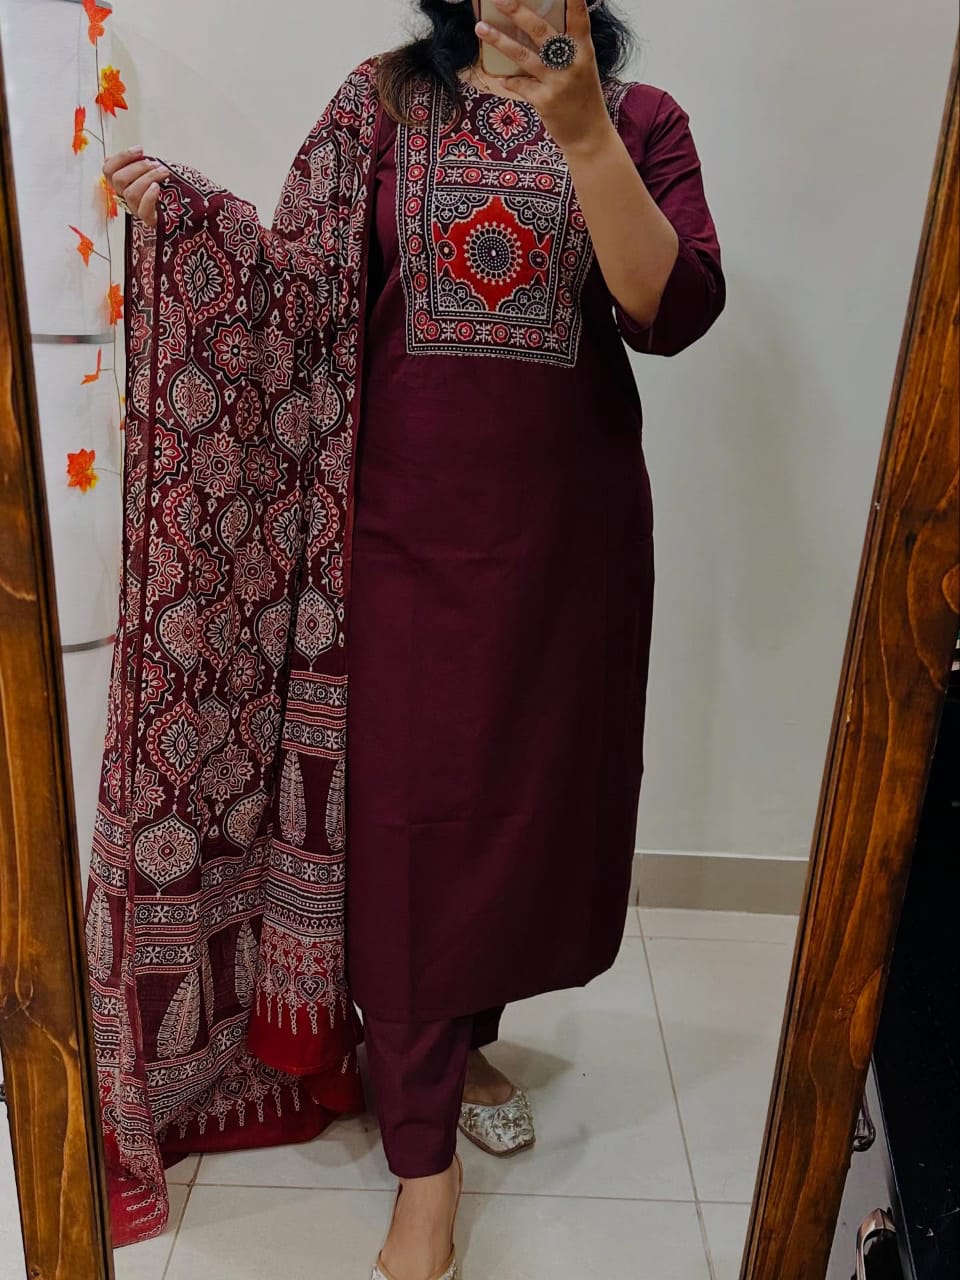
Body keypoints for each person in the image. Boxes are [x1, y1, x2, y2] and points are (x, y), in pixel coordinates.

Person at [97, 1, 724, 1276]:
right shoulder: (380, 103)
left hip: (569, 555)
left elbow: (672, 311)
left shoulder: (639, 120)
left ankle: (452, 1039)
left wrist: (584, 130)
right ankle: (423, 1163)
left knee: (522, 820)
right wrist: (195, 218)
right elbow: (296, 290)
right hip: (394, 542)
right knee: (405, 831)